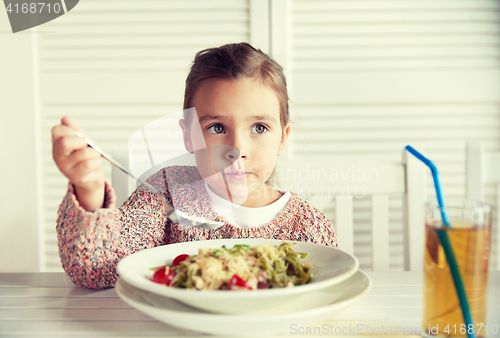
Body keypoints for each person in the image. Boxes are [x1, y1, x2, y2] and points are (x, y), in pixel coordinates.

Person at [52, 42, 338, 289]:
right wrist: (88, 187)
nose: (236, 150)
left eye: (259, 128)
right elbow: (96, 270)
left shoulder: (307, 225)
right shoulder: (165, 193)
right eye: (216, 128)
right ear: (189, 135)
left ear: (282, 139)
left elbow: (328, 289)